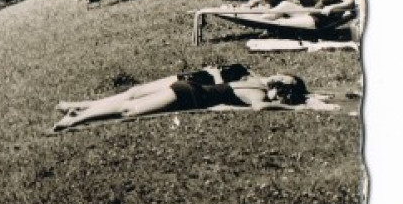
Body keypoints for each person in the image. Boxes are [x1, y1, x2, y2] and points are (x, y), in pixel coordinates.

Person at [53, 71, 310, 132]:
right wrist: (293, 106)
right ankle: (79, 118)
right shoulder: (260, 94)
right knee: (130, 110)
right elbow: (260, 107)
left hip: (189, 87)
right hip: (189, 95)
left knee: (130, 102)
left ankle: (81, 112)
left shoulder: (256, 82)